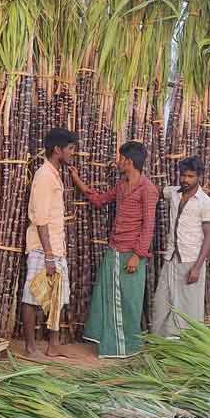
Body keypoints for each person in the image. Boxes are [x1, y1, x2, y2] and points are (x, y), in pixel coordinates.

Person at [70, 142, 159, 357]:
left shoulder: (148, 189)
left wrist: (137, 255)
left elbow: (148, 226)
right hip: (114, 250)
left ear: (129, 161)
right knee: (107, 298)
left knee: (129, 302)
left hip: (131, 254)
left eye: (120, 159)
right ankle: (111, 347)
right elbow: (100, 200)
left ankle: (128, 348)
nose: (117, 162)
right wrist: (78, 182)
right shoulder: (121, 185)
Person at [21, 128, 77, 358]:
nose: (73, 153)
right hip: (43, 248)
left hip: (55, 245)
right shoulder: (44, 176)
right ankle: (31, 347)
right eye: (71, 148)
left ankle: (53, 344)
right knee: (33, 296)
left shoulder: (54, 174)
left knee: (57, 296)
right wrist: (49, 255)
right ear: (57, 150)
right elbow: (41, 219)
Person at [151, 156, 210, 336]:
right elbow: (155, 190)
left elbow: (209, 237)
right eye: (183, 175)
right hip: (171, 257)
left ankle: (185, 344)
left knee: (188, 306)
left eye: (190, 176)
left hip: (191, 260)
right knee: (162, 302)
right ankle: (160, 342)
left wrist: (197, 267)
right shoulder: (174, 193)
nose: (185, 180)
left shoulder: (207, 203)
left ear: (199, 177)